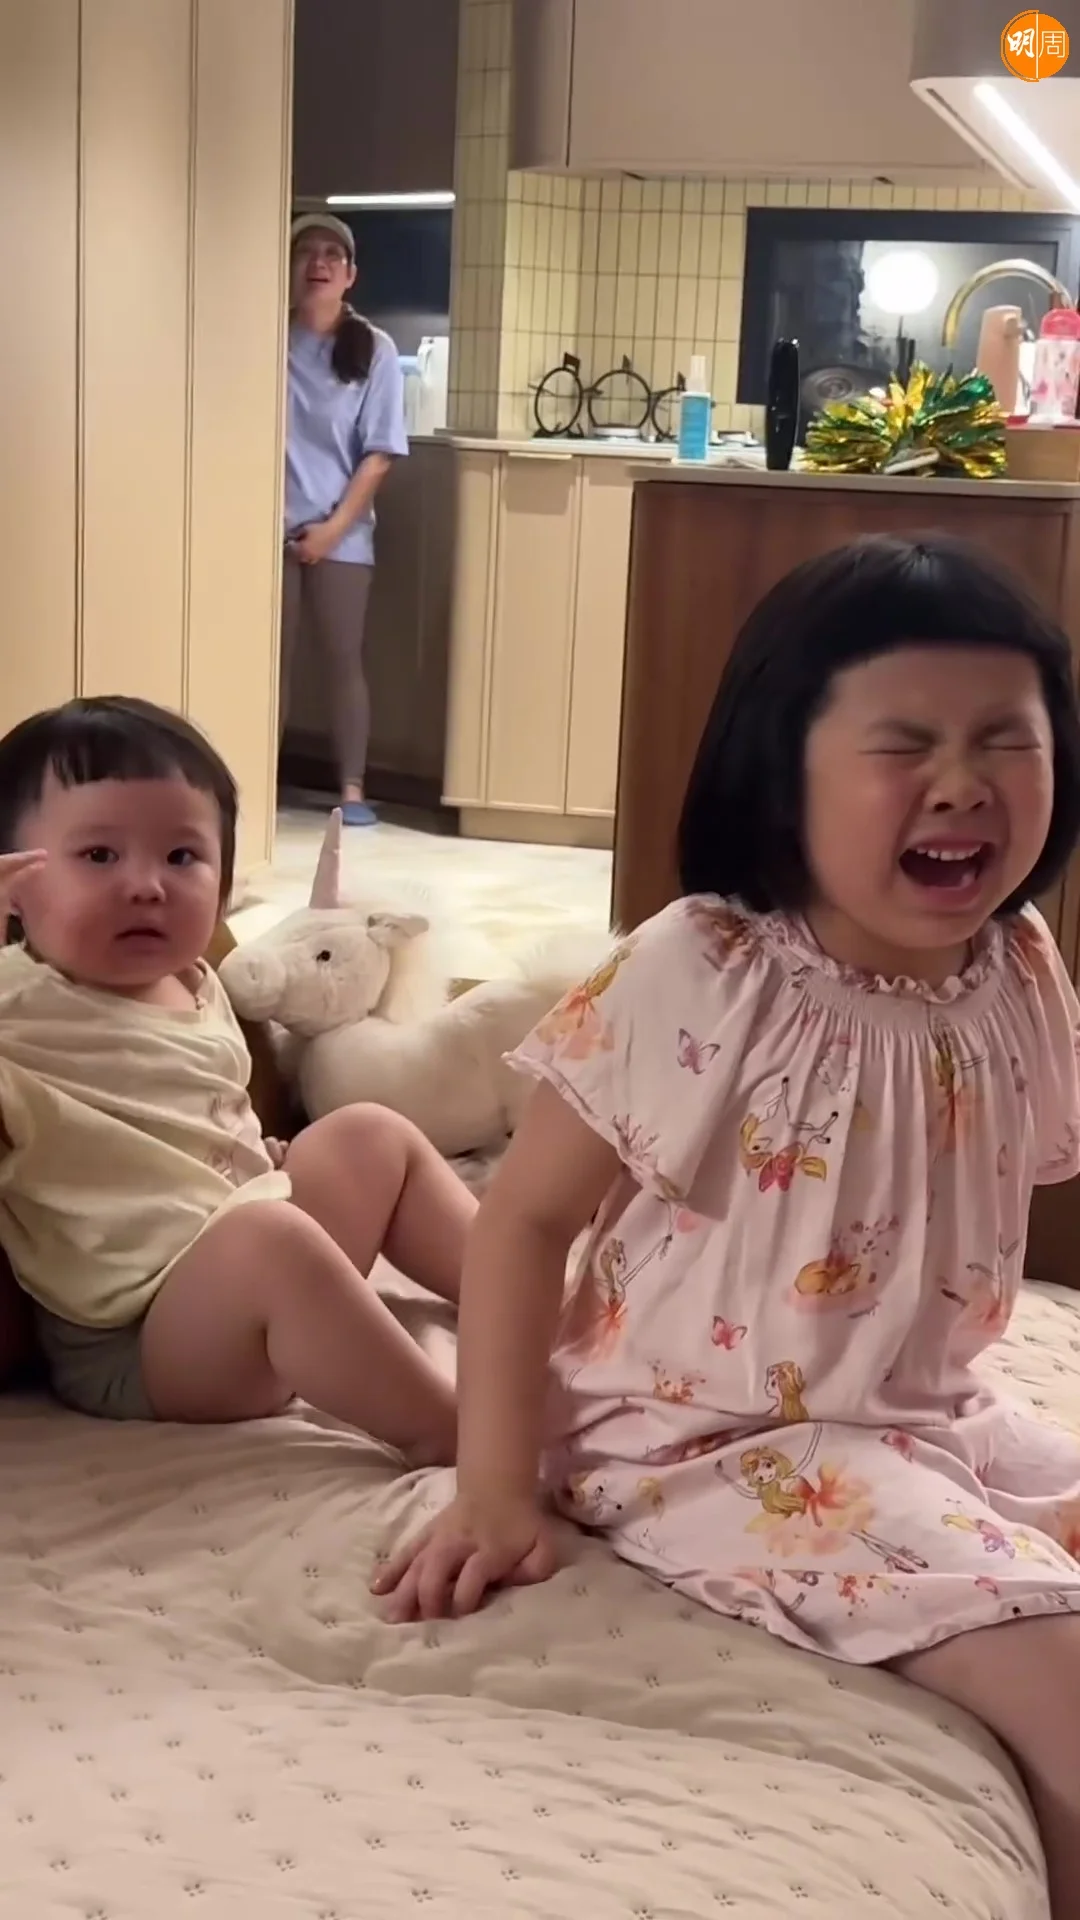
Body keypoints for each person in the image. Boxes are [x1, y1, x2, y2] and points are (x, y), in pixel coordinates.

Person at [376, 534, 1080, 1916]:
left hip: (923, 1415)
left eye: (1009, 739)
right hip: (700, 1440)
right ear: (782, 770)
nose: (963, 783)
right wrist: (494, 1485)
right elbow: (522, 1222)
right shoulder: (706, 966)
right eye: (905, 745)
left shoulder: (1019, 965)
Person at [0, 695, 473, 1452]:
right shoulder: (17, 1003)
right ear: (15, 887)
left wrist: (254, 1161)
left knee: (367, 1135)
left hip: (252, 1267)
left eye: (182, 857)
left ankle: (539, 1305)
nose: (148, 885)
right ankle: (448, 1431)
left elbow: (203, 1109)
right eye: (99, 856)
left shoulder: (197, 982)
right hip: (143, 1343)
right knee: (268, 1240)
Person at [281, 213, 408, 827]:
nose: (319, 262)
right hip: (266, 529)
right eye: (306, 251)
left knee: (342, 659)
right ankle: (255, 776)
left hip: (342, 530)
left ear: (351, 274)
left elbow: (379, 454)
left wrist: (332, 531)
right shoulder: (266, 337)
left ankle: (352, 790)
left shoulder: (374, 349)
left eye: (333, 254)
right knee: (267, 662)